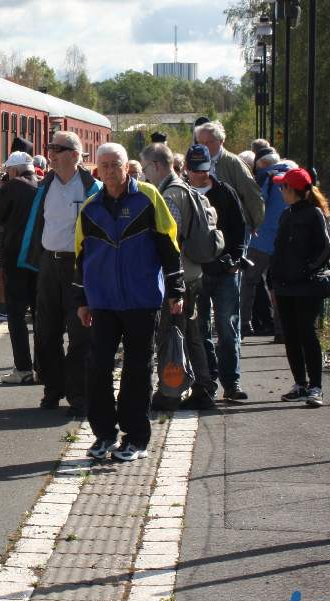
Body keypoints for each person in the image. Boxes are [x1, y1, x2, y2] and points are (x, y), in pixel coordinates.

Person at [75, 143, 184, 461]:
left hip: (141, 299)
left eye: (115, 164)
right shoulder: (90, 208)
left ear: (127, 167)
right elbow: (81, 256)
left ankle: (136, 438)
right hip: (103, 301)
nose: (110, 170)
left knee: (137, 369)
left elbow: (169, 244)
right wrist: (82, 299)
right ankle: (104, 434)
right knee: (98, 367)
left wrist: (176, 289)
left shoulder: (149, 197)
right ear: (97, 170)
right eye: (104, 165)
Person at [15, 130, 100, 417]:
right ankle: (52, 389)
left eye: (57, 149)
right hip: (49, 264)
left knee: (80, 332)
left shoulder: (91, 188)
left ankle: (79, 395)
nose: (50, 153)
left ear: (75, 155)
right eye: (49, 148)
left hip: (78, 266)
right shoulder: (45, 186)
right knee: (46, 331)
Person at [142, 143, 209, 407]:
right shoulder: (184, 187)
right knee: (191, 335)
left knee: (170, 335)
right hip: (192, 272)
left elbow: (169, 240)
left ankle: (169, 391)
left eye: (145, 167)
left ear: (156, 165)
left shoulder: (169, 195)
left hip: (178, 277)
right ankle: (203, 387)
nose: (144, 173)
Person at [183, 143, 249, 405]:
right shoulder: (183, 193)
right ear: (186, 169)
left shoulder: (225, 192)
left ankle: (231, 383)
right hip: (196, 273)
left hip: (224, 270)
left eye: (203, 169)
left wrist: (236, 259)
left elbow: (240, 227)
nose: (200, 174)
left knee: (227, 328)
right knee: (199, 331)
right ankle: (207, 380)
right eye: (195, 170)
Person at [271, 167, 330, 408]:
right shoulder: (286, 214)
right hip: (284, 286)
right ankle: (300, 383)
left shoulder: (313, 214)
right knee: (291, 335)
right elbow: (280, 248)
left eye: (283, 186)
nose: (280, 191)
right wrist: (274, 276)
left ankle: (316, 386)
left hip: (306, 287)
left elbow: (325, 247)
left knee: (307, 332)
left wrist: (308, 269)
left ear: (292, 189)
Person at [0, 151, 40, 385]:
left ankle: (23, 369)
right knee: (40, 316)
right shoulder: (42, 184)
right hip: (39, 259)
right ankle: (42, 367)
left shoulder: (12, 186)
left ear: (15, 169)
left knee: (17, 316)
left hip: (16, 258)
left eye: (8, 170)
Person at [244, 148, 296, 339]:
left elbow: (259, 202)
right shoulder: (293, 172)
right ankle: (282, 329)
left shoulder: (267, 176)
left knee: (248, 282)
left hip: (262, 239)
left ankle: (243, 324)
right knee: (279, 285)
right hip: (287, 240)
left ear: (263, 164)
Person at [193, 120, 265, 232]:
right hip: (205, 228)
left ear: (221, 141)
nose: (204, 146)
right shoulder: (194, 163)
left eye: (209, 142)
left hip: (233, 227)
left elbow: (252, 194)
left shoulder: (233, 163)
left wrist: (254, 224)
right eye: (201, 142)